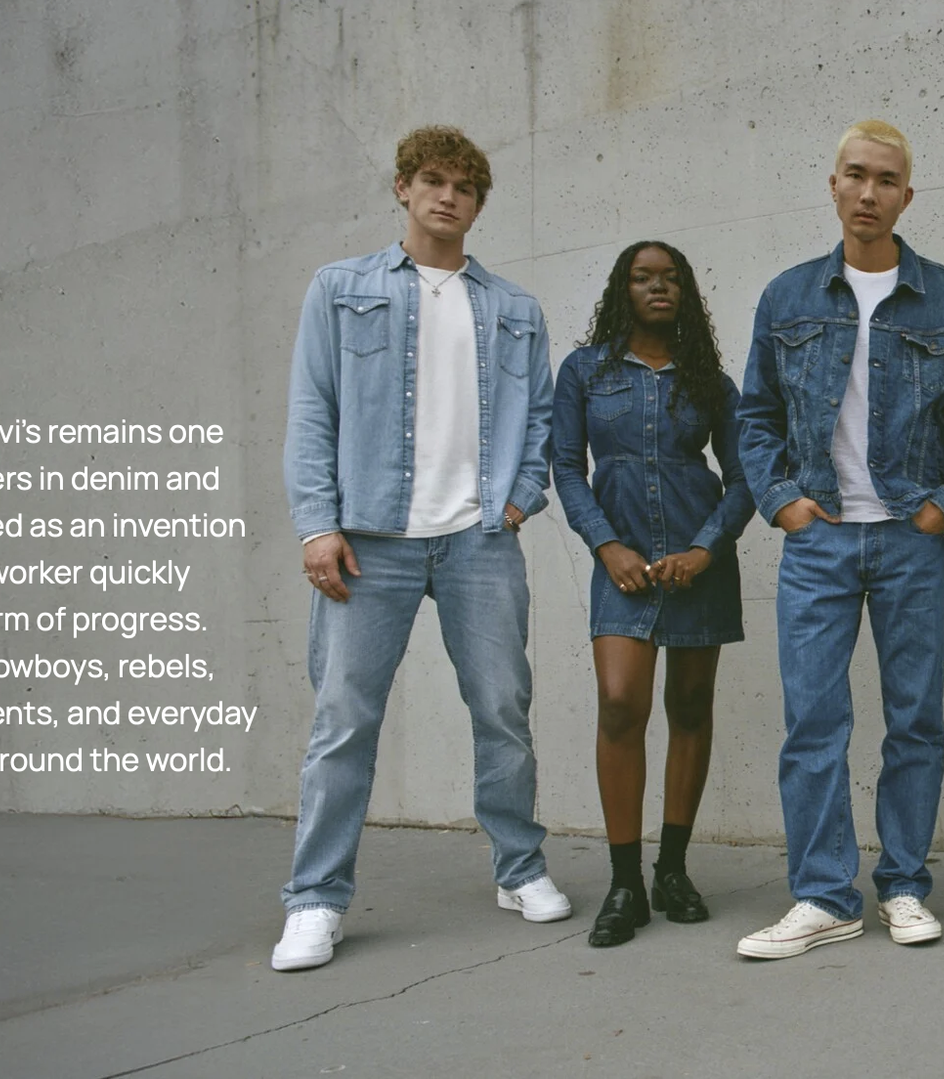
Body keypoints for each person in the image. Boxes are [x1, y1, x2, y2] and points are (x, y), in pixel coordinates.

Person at [273, 125, 569, 972]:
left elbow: (541, 417)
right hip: (371, 540)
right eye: (433, 181)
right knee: (343, 722)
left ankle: (520, 869)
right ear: (402, 188)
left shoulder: (513, 308)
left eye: (465, 187)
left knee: (504, 712)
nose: (449, 197)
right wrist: (316, 524)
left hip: (478, 540)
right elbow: (311, 410)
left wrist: (518, 500)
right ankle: (316, 901)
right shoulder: (340, 288)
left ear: (479, 203)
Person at [731, 119, 944, 959]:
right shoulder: (787, 296)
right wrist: (781, 499)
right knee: (813, 721)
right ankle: (824, 894)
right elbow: (753, 417)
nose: (868, 192)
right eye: (855, 175)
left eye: (886, 179)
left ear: (907, 195)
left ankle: (902, 884)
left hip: (907, 539)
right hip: (816, 538)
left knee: (914, 720)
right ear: (833, 184)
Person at [550, 240, 753, 947]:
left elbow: (744, 476)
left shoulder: (712, 382)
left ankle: (672, 868)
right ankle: (624, 882)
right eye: (643, 277)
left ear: (686, 292)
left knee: (691, 706)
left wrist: (705, 549)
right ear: (622, 289)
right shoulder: (584, 372)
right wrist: (607, 546)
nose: (657, 287)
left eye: (670, 278)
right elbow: (567, 470)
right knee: (619, 704)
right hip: (622, 563)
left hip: (696, 561)